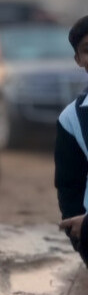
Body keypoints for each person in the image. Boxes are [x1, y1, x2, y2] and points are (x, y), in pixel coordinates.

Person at [55, 15, 88, 268]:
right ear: (78, 60)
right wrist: (80, 234)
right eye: (87, 50)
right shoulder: (71, 119)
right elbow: (69, 184)